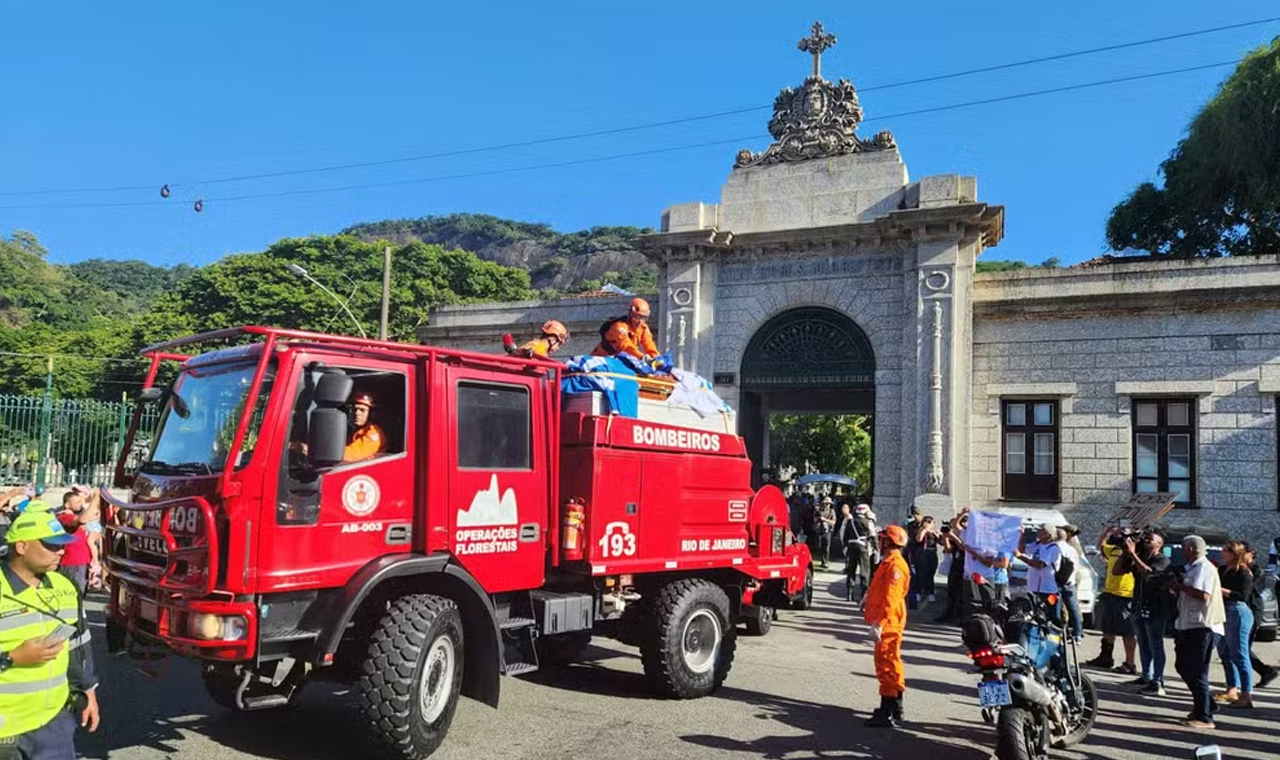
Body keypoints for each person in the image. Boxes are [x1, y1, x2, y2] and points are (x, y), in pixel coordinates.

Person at [0, 507, 100, 757]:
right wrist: (12, 658)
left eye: (63, 545)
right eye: (51, 546)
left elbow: (78, 643)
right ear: (21, 547)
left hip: (54, 724)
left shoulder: (64, 585)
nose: (61, 551)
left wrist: (88, 689)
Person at [1172, 534, 1225, 729]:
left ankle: (1205, 717)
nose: (1183, 552)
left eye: (1184, 548)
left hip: (1204, 626)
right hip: (1188, 624)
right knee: (1183, 666)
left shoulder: (1204, 567)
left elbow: (1203, 595)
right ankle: (1206, 704)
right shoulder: (1192, 568)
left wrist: (1181, 586)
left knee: (1197, 670)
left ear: (1191, 550)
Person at [864, 524, 910, 728]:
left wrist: (879, 624)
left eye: (882, 538)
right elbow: (883, 590)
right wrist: (867, 597)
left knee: (886, 664)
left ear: (889, 541)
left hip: (888, 621)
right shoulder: (890, 563)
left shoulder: (895, 566)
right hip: (889, 619)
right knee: (893, 662)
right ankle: (896, 704)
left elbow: (891, 600)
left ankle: (887, 709)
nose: (879, 541)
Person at [1118, 531, 1172, 695]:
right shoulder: (1140, 556)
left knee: (1156, 643)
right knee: (1143, 643)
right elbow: (1117, 570)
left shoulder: (1162, 560)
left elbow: (1149, 573)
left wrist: (1133, 554)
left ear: (1159, 544)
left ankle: (1158, 681)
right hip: (1138, 605)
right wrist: (1126, 552)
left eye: (1151, 539)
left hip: (1156, 607)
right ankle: (1146, 676)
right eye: (1146, 538)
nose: (1146, 540)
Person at [1089, 525, 1139, 675]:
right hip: (1110, 593)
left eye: (1124, 535)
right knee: (1107, 629)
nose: (1120, 536)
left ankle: (1130, 663)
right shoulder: (1114, 550)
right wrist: (1107, 531)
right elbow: (1101, 546)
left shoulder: (1135, 553)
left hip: (1125, 595)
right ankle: (1106, 657)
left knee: (1127, 632)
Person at [1213, 541, 1255, 709]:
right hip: (1223, 611)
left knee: (1239, 653)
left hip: (1237, 611)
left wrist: (1219, 589)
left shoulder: (1244, 572)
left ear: (1234, 553)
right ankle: (1232, 688)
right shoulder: (1222, 570)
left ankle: (1246, 695)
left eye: (1225, 551)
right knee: (1224, 652)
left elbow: (1242, 596)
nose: (1222, 553)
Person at [53, 490, 95, 598]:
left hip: (82, 562)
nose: (80, 504)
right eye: (76, 502)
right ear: (67, 505)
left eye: (80, 501)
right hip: (72, 562)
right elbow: (83, 519)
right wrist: (95, 499)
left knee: (80, 594)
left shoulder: (75, 515)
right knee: (73, 595)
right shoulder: (64, 517)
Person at [1016, 523, 1062, 617]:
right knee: (1034, 615)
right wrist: (1021, 536)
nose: (1038, 532)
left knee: (1050, 616)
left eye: (1040, 530)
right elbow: (1022, 549)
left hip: (1048, 590)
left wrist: (1021, 558)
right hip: (1034, 588)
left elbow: (1040, 564)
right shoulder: (1038, 545)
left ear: (1048, 534)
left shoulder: (1053, 548)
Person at [593, 298, 659, 360]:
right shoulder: (619, 326)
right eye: (637, 317)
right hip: (603, 359)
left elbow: (650, 345)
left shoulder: (643, 328)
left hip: (623, 359)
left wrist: (657, 359)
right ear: (630, 314)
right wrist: (642, 357)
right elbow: (626, 347)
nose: (640, 321)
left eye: (644, 318)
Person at [1057, 525, 1084, 642]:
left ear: (1068, 533)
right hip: (1070, 577)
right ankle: (1074, 630)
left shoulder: (1071, 545)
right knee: (1070, 605)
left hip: (1068, 578)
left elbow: (1071, 564)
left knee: (1069, 605)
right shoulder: (1070, 544)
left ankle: (1073, 630)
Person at [344, 392, 386, 463]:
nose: (357, 413)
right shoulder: (354, 430)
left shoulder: (374, 433)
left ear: (371, 414)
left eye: (362, 410)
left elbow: (352, 455)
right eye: (354, 409)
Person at [504, 319, 570, 360]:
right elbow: (526, 351)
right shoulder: (539, 346)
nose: (558, 348)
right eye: (559, 344)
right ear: (553, 340)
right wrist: (528, 352)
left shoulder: (542, 349)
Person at [815, 497, 836, 569]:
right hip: (819, 530)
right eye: (826, 503)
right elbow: (815, 519)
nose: (827, 505)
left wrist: (825, 520)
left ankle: (825, 562)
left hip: (827, 531)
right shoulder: (819, 510)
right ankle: (822, 560)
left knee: (826, 547)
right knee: (820, 546)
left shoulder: (831, 511)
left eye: (828, 504)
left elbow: (833, 522)